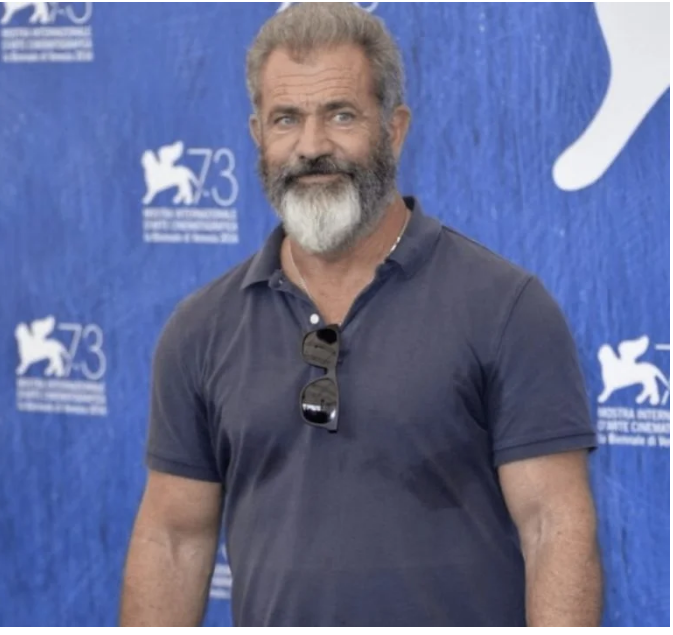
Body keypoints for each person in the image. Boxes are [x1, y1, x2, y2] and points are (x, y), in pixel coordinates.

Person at [120, 2, 602, 627]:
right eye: (286, 119)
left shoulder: (507, 309)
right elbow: (173, 538)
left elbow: (554, 527)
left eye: (341, 115)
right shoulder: (200, 329)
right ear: (258, 135)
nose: (312, 146)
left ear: (394, 129)